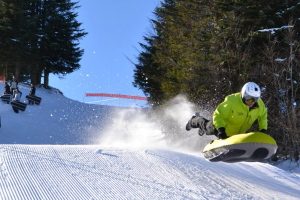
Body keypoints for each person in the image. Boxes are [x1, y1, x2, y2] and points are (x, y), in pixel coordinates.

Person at [186, 82, 268, 139]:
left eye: (255, 99)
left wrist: (263, 130)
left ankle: (202, 129)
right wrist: (221, 130)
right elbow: (218, 115)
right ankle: (193, 120)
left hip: (235, 135)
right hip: (219, 128)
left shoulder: (259, 105)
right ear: (243, 94)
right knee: (206, 127)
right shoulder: (232, 101)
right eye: (248, 99)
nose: (251, 102)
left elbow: (263, 116)